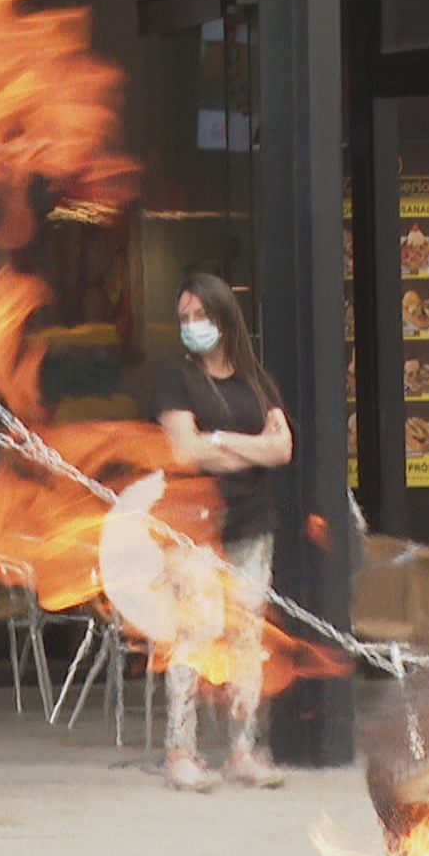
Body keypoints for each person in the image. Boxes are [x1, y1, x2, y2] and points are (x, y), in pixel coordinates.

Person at [149, 272, 294, 793]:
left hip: (253, 524)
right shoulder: (175, 379)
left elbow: (283, 450)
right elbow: (186, 451)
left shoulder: (258, 382)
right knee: (193, 632)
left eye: (201, 316)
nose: (192, 326)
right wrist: (250, 447)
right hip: (194, 527)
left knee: (247, 637)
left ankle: (242, 750)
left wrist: (223, 440)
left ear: (224, 317)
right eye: (184, 318)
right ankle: (180, 751)